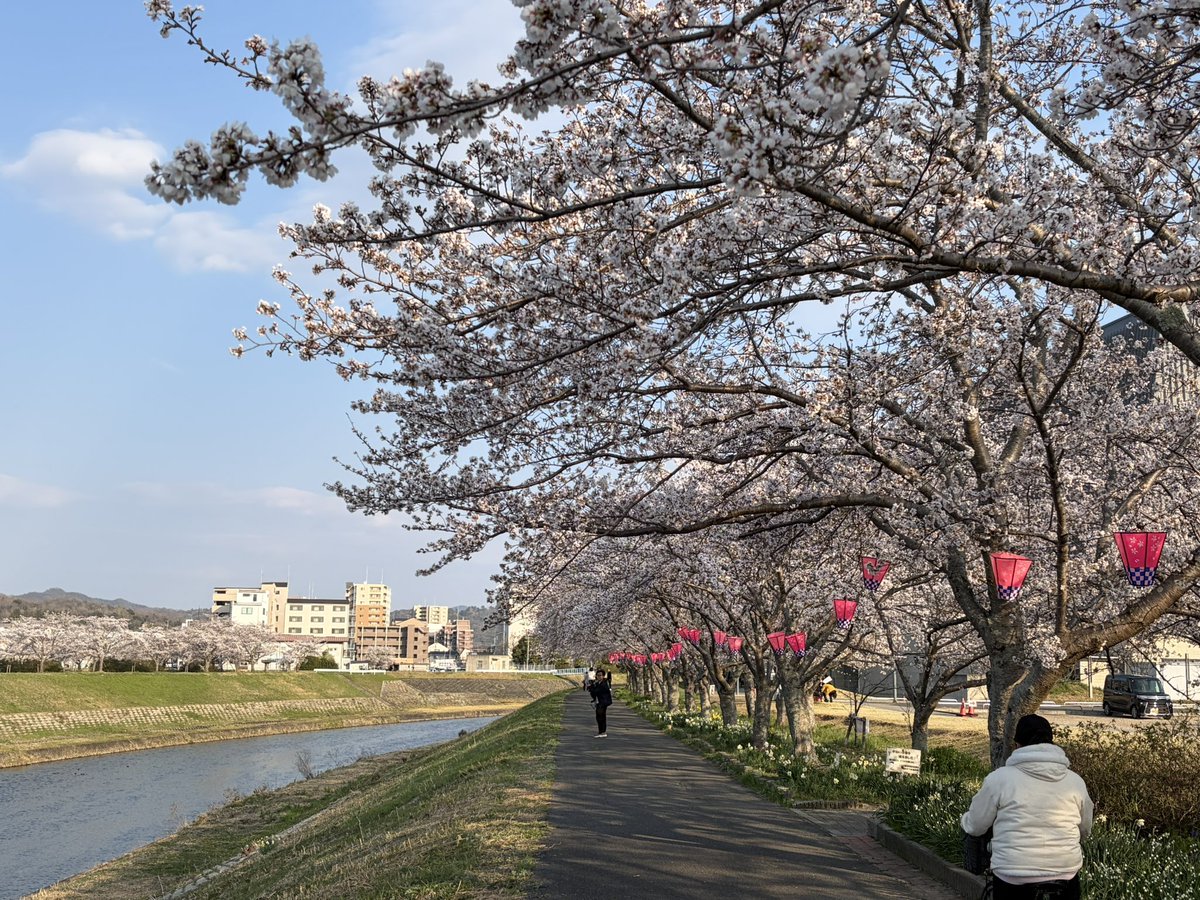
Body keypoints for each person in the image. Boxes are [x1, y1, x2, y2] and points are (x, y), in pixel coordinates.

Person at [961, 714, 1094, 899]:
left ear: (1017, 745)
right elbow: (1085, 829)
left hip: (1013, 874)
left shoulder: (1000, 779)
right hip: (1065, 874)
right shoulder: (1075, 782)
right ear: (1051, 743)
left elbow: (975, 826)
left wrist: (965, 820)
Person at [588, 669, 612, 737]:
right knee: (599, 717)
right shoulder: (598, 683)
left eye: (600, 675)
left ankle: (602, 732)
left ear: (603, 676)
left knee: (601, 717)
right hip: (599, 702)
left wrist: (592, 689)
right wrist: (591, 688)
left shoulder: (604, 683)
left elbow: (597, 691)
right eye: (597, 675)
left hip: (603, 702)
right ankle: (601, 732)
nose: (599, 677)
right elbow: (594, 693)